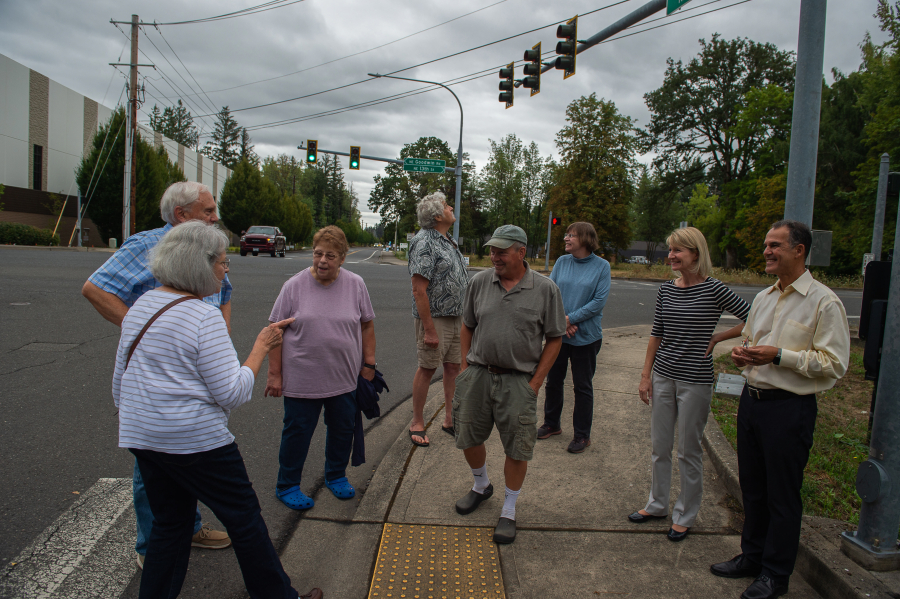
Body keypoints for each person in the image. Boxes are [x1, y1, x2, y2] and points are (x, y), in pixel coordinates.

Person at [113, 221, 321, 599]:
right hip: (196, 442)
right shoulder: (203, 316)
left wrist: (140, 415)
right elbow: (232, 392)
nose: (226, 270)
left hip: (143, 436)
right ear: (199, 265)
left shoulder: (142, 305)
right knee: (244, 520)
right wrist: (261, 348)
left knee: (169, 524)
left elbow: (120, 379)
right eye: (223, 262)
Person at [82, 181, 231, 568]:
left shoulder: (206, 244)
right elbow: (96, 288)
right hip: (162, 372)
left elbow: (224, 292)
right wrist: (149, 334)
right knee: (153, 457)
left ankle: (190, 527)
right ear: (181, 215)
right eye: (208, 210)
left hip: (200, 364)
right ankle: (153, 545)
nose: (216, 217)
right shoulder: (146, 246)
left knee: (191, 449)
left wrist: (221, 343)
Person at [710, 220, 849, 599]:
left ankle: (775, 574)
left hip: (790, 409)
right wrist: (743, 356)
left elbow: (834, 364)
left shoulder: (824, 301)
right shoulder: (764, 297)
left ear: (799, 250)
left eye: (775, 245)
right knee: (753, 489)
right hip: (751, 403)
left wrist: (780, 355)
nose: (767, 251)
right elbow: (753, 342)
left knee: (782, 495)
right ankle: (751, 557)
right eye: (766, 244)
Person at [628, 226, 750, 543]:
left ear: (695, 253)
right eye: (670, 250)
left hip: (695, 380)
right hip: (663, 375)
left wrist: (719, 337)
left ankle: (685, 514)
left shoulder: (714, 289)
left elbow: (754, 317)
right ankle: (656, 505)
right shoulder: (667, 290)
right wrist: (645, 374)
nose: (671, 256)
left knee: (688, 451)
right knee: (660, 447)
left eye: (677, 250)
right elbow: (657, 332)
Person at [452, 225, 566, 544]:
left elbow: (555, 338)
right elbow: (467, 326)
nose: (494, 256)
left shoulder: (545, 289)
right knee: (468, 436)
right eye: (492, 250)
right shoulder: (479, 282)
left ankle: (509, 509)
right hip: (477, 374)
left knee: (517, 447)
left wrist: (536, 382)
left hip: (519, 379)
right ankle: (481, 486)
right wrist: (464, 367)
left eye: (501, 251)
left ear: (521, 252)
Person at [266, 226, 376, 510]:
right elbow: (274, 332)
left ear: (342, 258)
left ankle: (336, 475)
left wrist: (369, 364)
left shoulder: (356, 284)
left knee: (341, 430)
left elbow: (366, 325)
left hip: (344, 378)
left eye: (330, 255)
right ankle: (287, 484)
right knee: (297, 432)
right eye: (317, 254)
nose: (322, 261)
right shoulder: (294, 286)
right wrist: (275, 374)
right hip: (302, 379)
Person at [539, 222, 610, 454]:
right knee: (553, 382)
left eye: (572, 235)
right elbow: (552, 292)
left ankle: (582, 435)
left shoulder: (602, 267)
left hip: (586, 337)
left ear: (586, 239)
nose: (566, 239)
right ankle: (551, 424)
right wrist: (562, 322)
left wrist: (570, 319)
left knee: (582, 386)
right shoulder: (561, 262)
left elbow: (598, 303)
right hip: (560, 334)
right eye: (567, 235)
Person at [407, 192, 468, 447]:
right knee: (428, 367)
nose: (451, 207)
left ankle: (450, 419)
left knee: (453, 367)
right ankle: (417, 422)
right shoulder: (424, 242)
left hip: (455, 316)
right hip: (435, 319)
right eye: (446, 205)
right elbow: (418, 290)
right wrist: (429, 330)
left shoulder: (447, 240)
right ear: (436, 216)